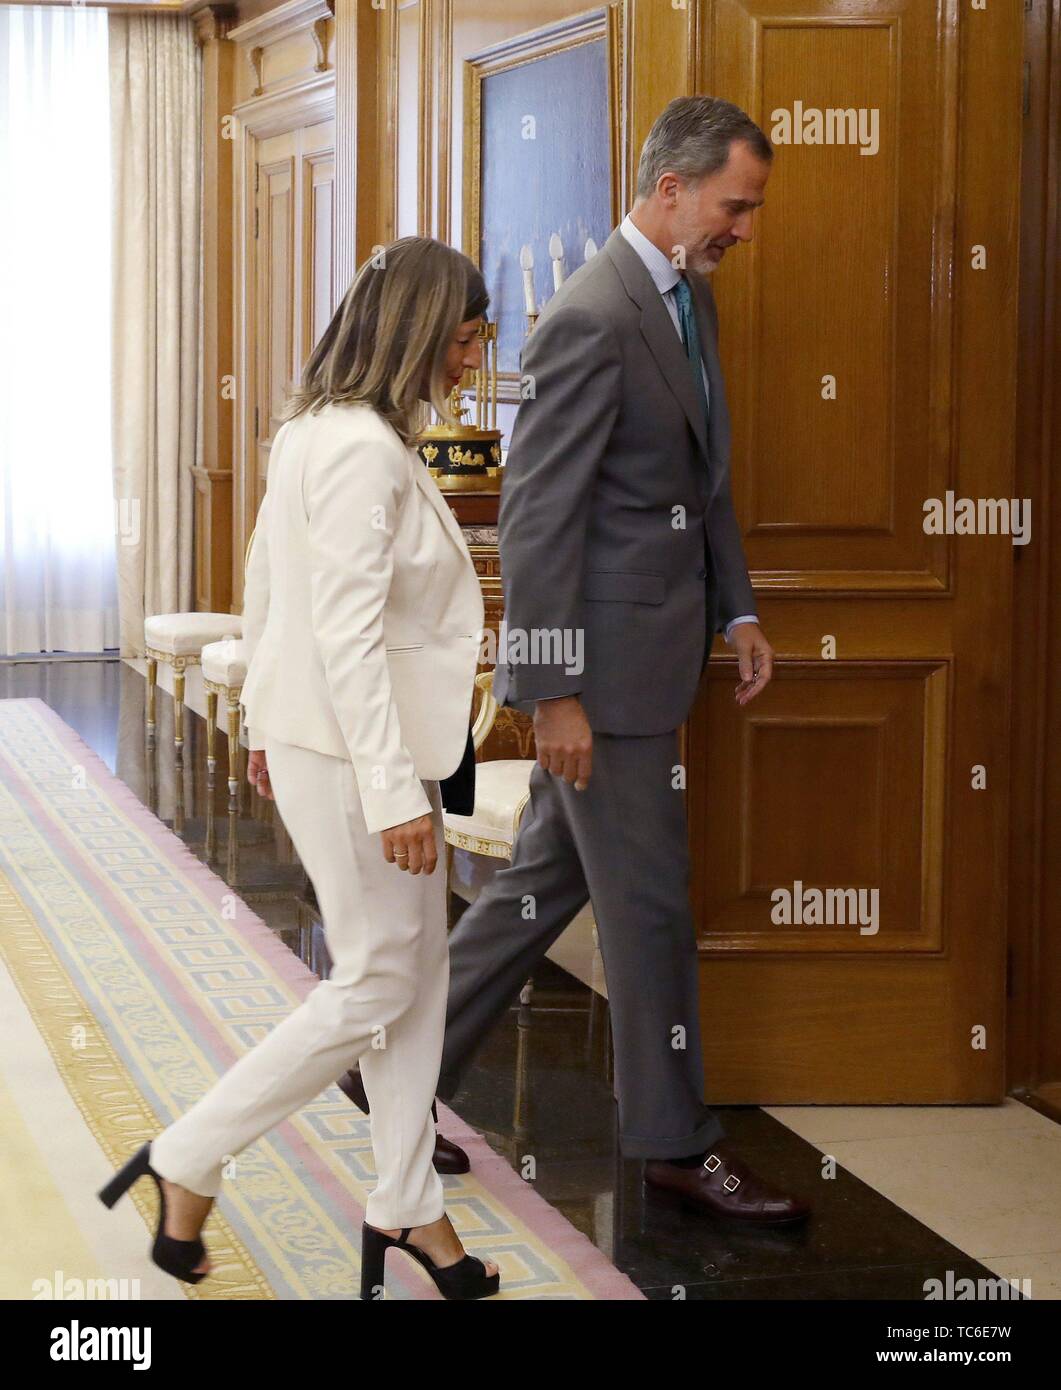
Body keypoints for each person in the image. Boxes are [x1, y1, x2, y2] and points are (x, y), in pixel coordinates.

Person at [343, 96, 812, 1225]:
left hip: (654, 656)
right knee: (647, 905)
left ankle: (391, 1074)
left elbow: (701, 485)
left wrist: (736, 611)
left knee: (533, 889)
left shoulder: (685, 298)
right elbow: (538, 519)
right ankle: (672, 1143)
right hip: (601, 682)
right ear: (669, 189)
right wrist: (549, 691)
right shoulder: (589, 317)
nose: (742, 226)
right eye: (732, 204)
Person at [98, 237, 501, 1300]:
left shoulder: (318, 429)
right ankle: (191, 1150)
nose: (469, 359)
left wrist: (267, 727)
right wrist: (384, 791)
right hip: (358, 749)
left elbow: (268, 577)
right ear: (417, 329)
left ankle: (407, 1202)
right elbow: (348, 630)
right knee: (379, 975)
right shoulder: (362, 449)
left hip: (331, 738)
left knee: (418, 975)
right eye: (463, 337)